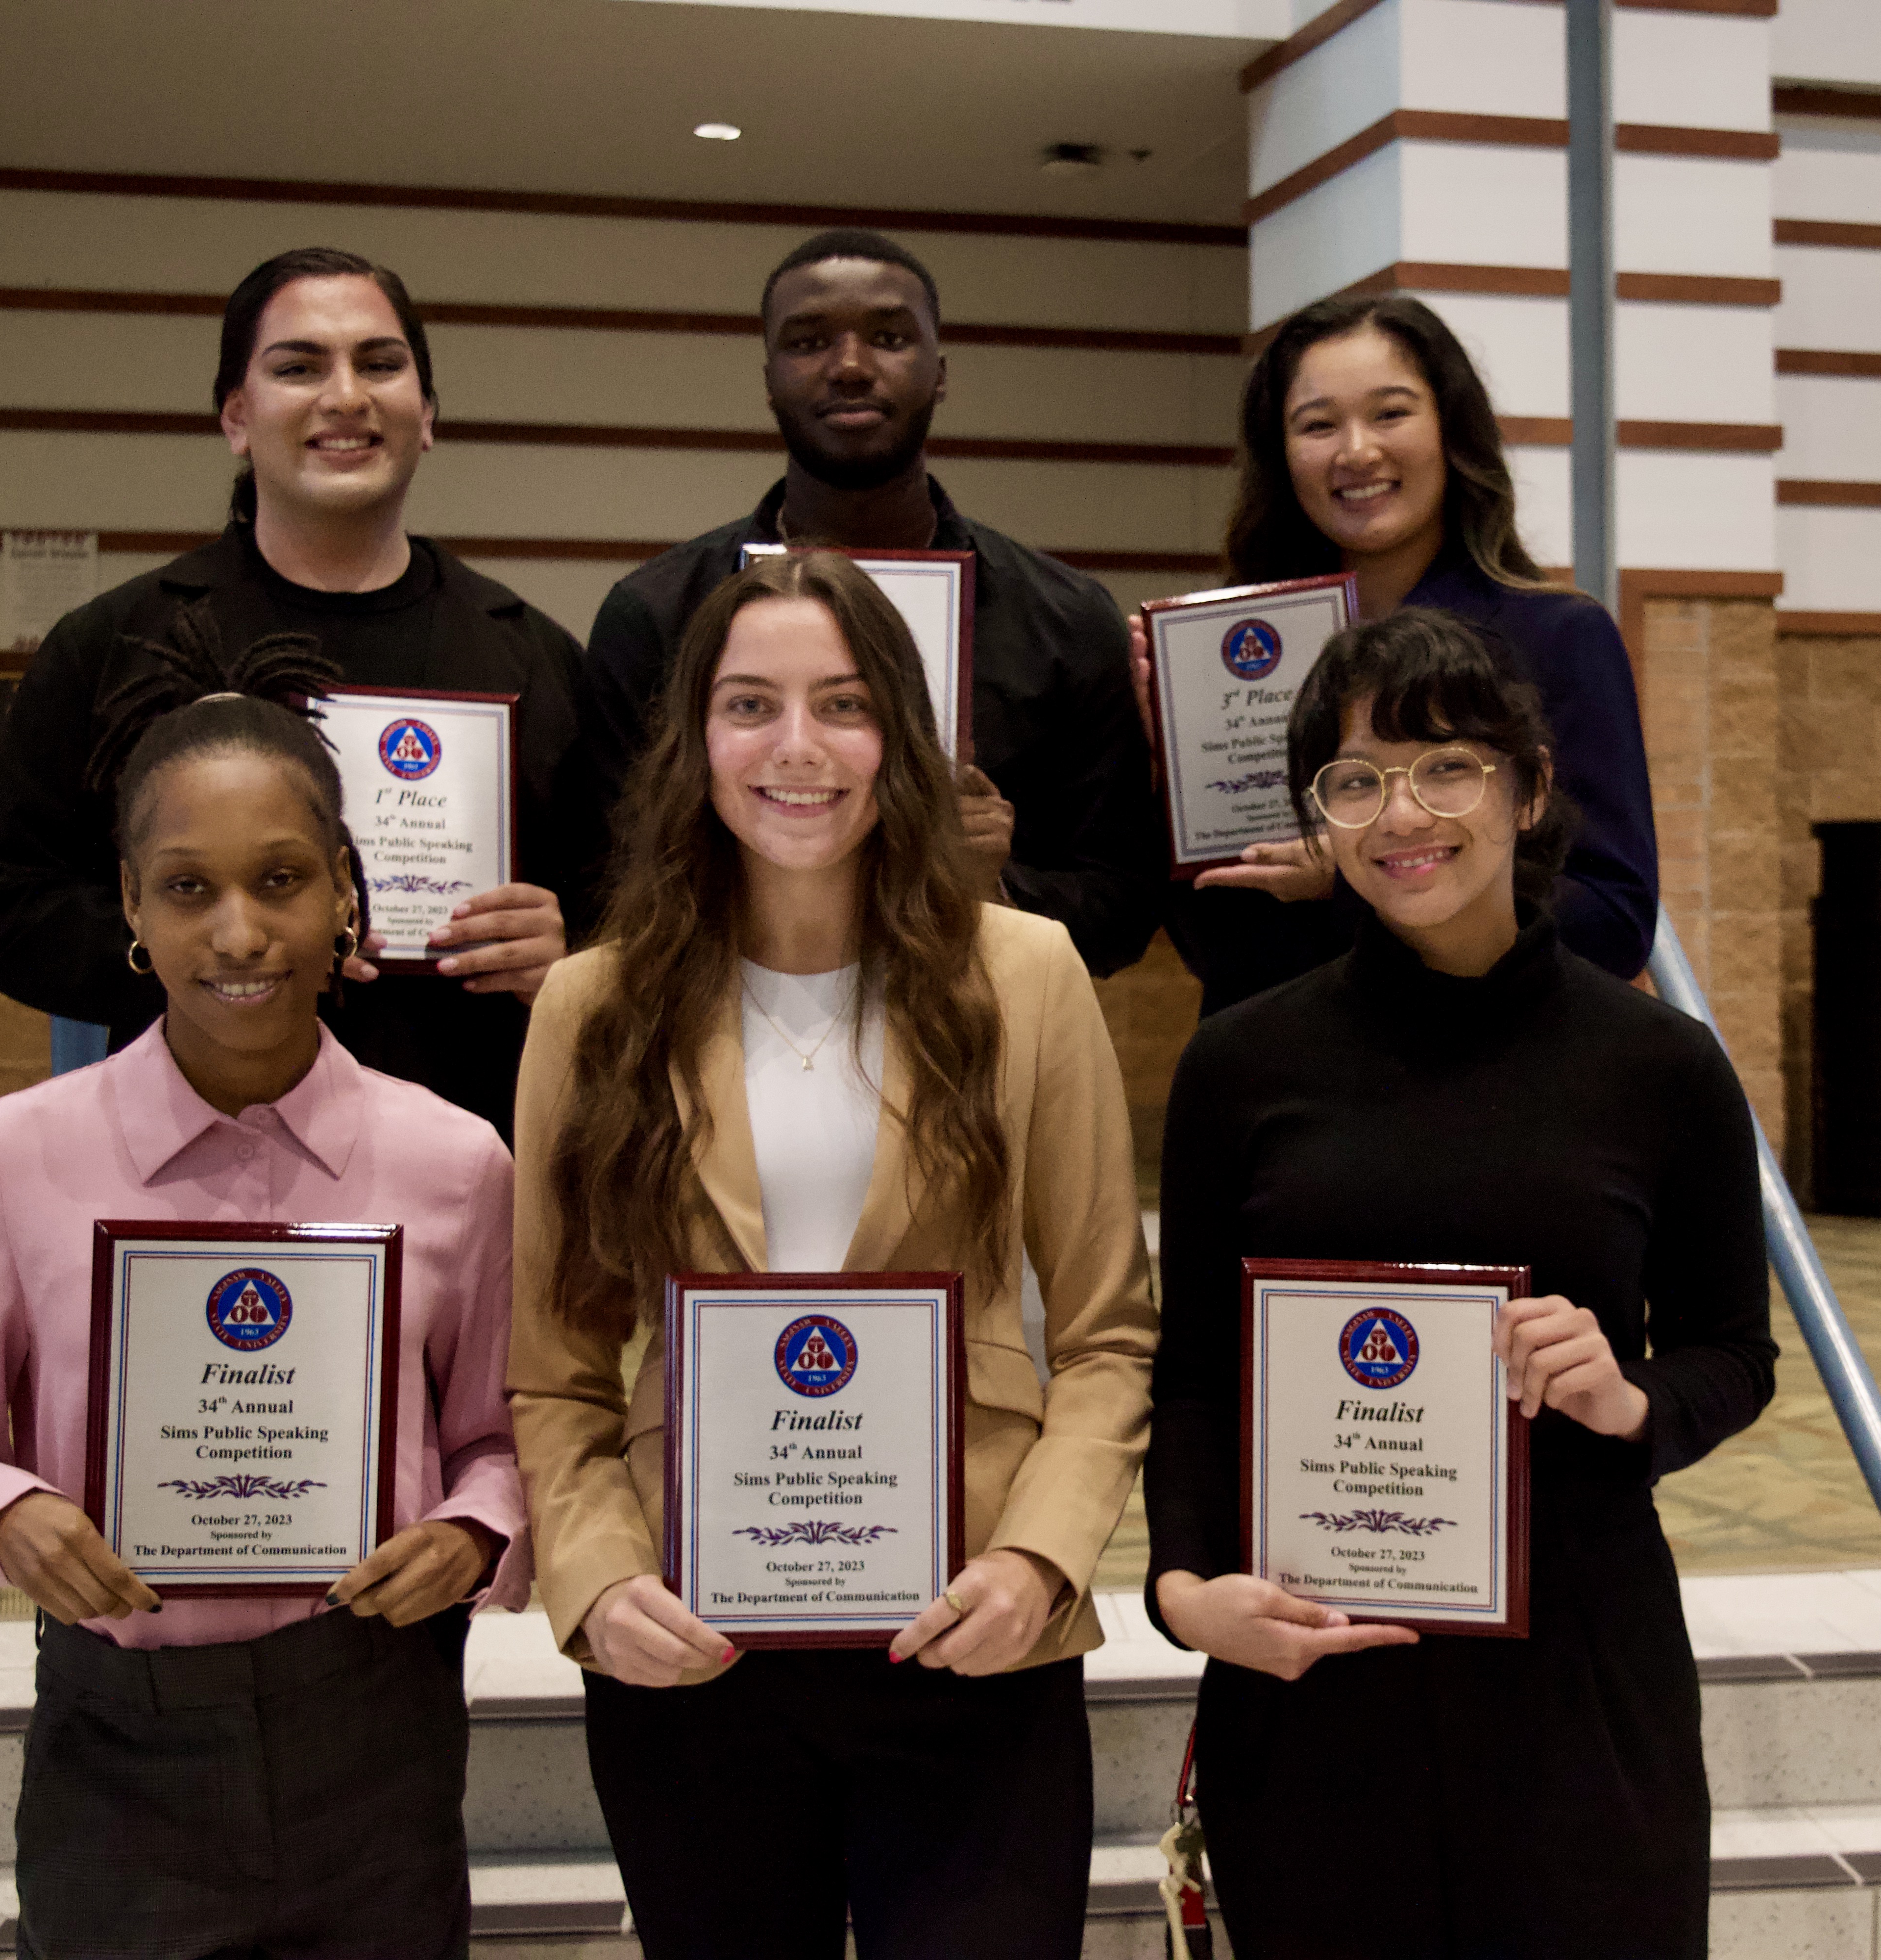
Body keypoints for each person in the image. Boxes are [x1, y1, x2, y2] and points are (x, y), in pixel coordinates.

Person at [507, 552, 1158, 1958]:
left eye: (843, 705)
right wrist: (599, 1579)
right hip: (696, 1645)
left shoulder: (1027, 977)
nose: (795, 749)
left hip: (970, 1628)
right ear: (694, 743)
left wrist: (1042, 1562)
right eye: (750, 705)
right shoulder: (590, 1006)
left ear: (899, 744)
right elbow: (554, 1375)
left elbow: (1108, 1337)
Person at [0, 624, 530, 1958]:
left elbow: (502, 1439)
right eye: (187, 888)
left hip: (376, 1725)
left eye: (281, 880)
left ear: (347, 891)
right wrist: (2, 1512)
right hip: (120, 1740)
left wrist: (475, 1532)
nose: (240, 932)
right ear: (128, 903)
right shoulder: (10, 1160)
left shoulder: (456, 1164)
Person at [1144, 608, 1775, 1959]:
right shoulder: (1241, 1067)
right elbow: (1194, 1372)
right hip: (1317, 1677)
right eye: (1355, 780)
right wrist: (1182, 1589)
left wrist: (1625, 1398)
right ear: (1319, 817)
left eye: (1446, 767)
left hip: (1579, 1679)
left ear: (1530, 788)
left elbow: (1733, 1352)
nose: (1400, 812)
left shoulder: (1657, 1066)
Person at [0, 245, 585, 1143]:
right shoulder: (121, 645)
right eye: (299, 367)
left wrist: (570, 952)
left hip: (469, 1160)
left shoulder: (533, 656)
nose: (347, 396)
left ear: (429, 415)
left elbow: (633, 915)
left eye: (380, 363)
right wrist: (186, 940)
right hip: (193, 1165)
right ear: (238, 418)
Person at [571, 227, 1162, 977]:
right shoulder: (656, 617)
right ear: (769, 378)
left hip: (985, 1052)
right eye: (809, 341)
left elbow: (1122, 915)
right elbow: (606, 896)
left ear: (940, 372)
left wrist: (994, 887)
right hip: (720, 1045)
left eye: (888, 337)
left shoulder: (1069, 620)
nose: (850, 367)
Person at [1132, 292, 1659, 1013]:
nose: (1357, 451)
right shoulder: (1234, 659)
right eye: (1318, 425)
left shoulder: (1559, 636)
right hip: (1285, 1067)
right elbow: (1221, 952)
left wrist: (1356, 876)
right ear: (1279, 454)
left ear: (1451, 429)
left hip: (1492, 1069)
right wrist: (1172, 776)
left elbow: (1616, 922)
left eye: (1391, 413)